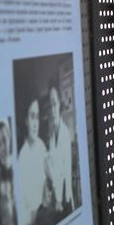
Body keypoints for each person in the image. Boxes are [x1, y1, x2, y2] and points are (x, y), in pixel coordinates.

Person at [17, 96, 50, 225]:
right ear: (25, 120)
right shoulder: (21, 158)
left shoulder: (41, 146)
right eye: (32, 116)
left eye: (37, 116)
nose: (35, 122)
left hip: (43, 222)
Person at [45, 84, 74, 213]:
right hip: (55, 197)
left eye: (55, 104)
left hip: (64, 197)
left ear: (60, 105)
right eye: (50, 105)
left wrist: (63, 200)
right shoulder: (50, 134)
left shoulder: (65, 133)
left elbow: (66, 171)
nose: (53, 109)